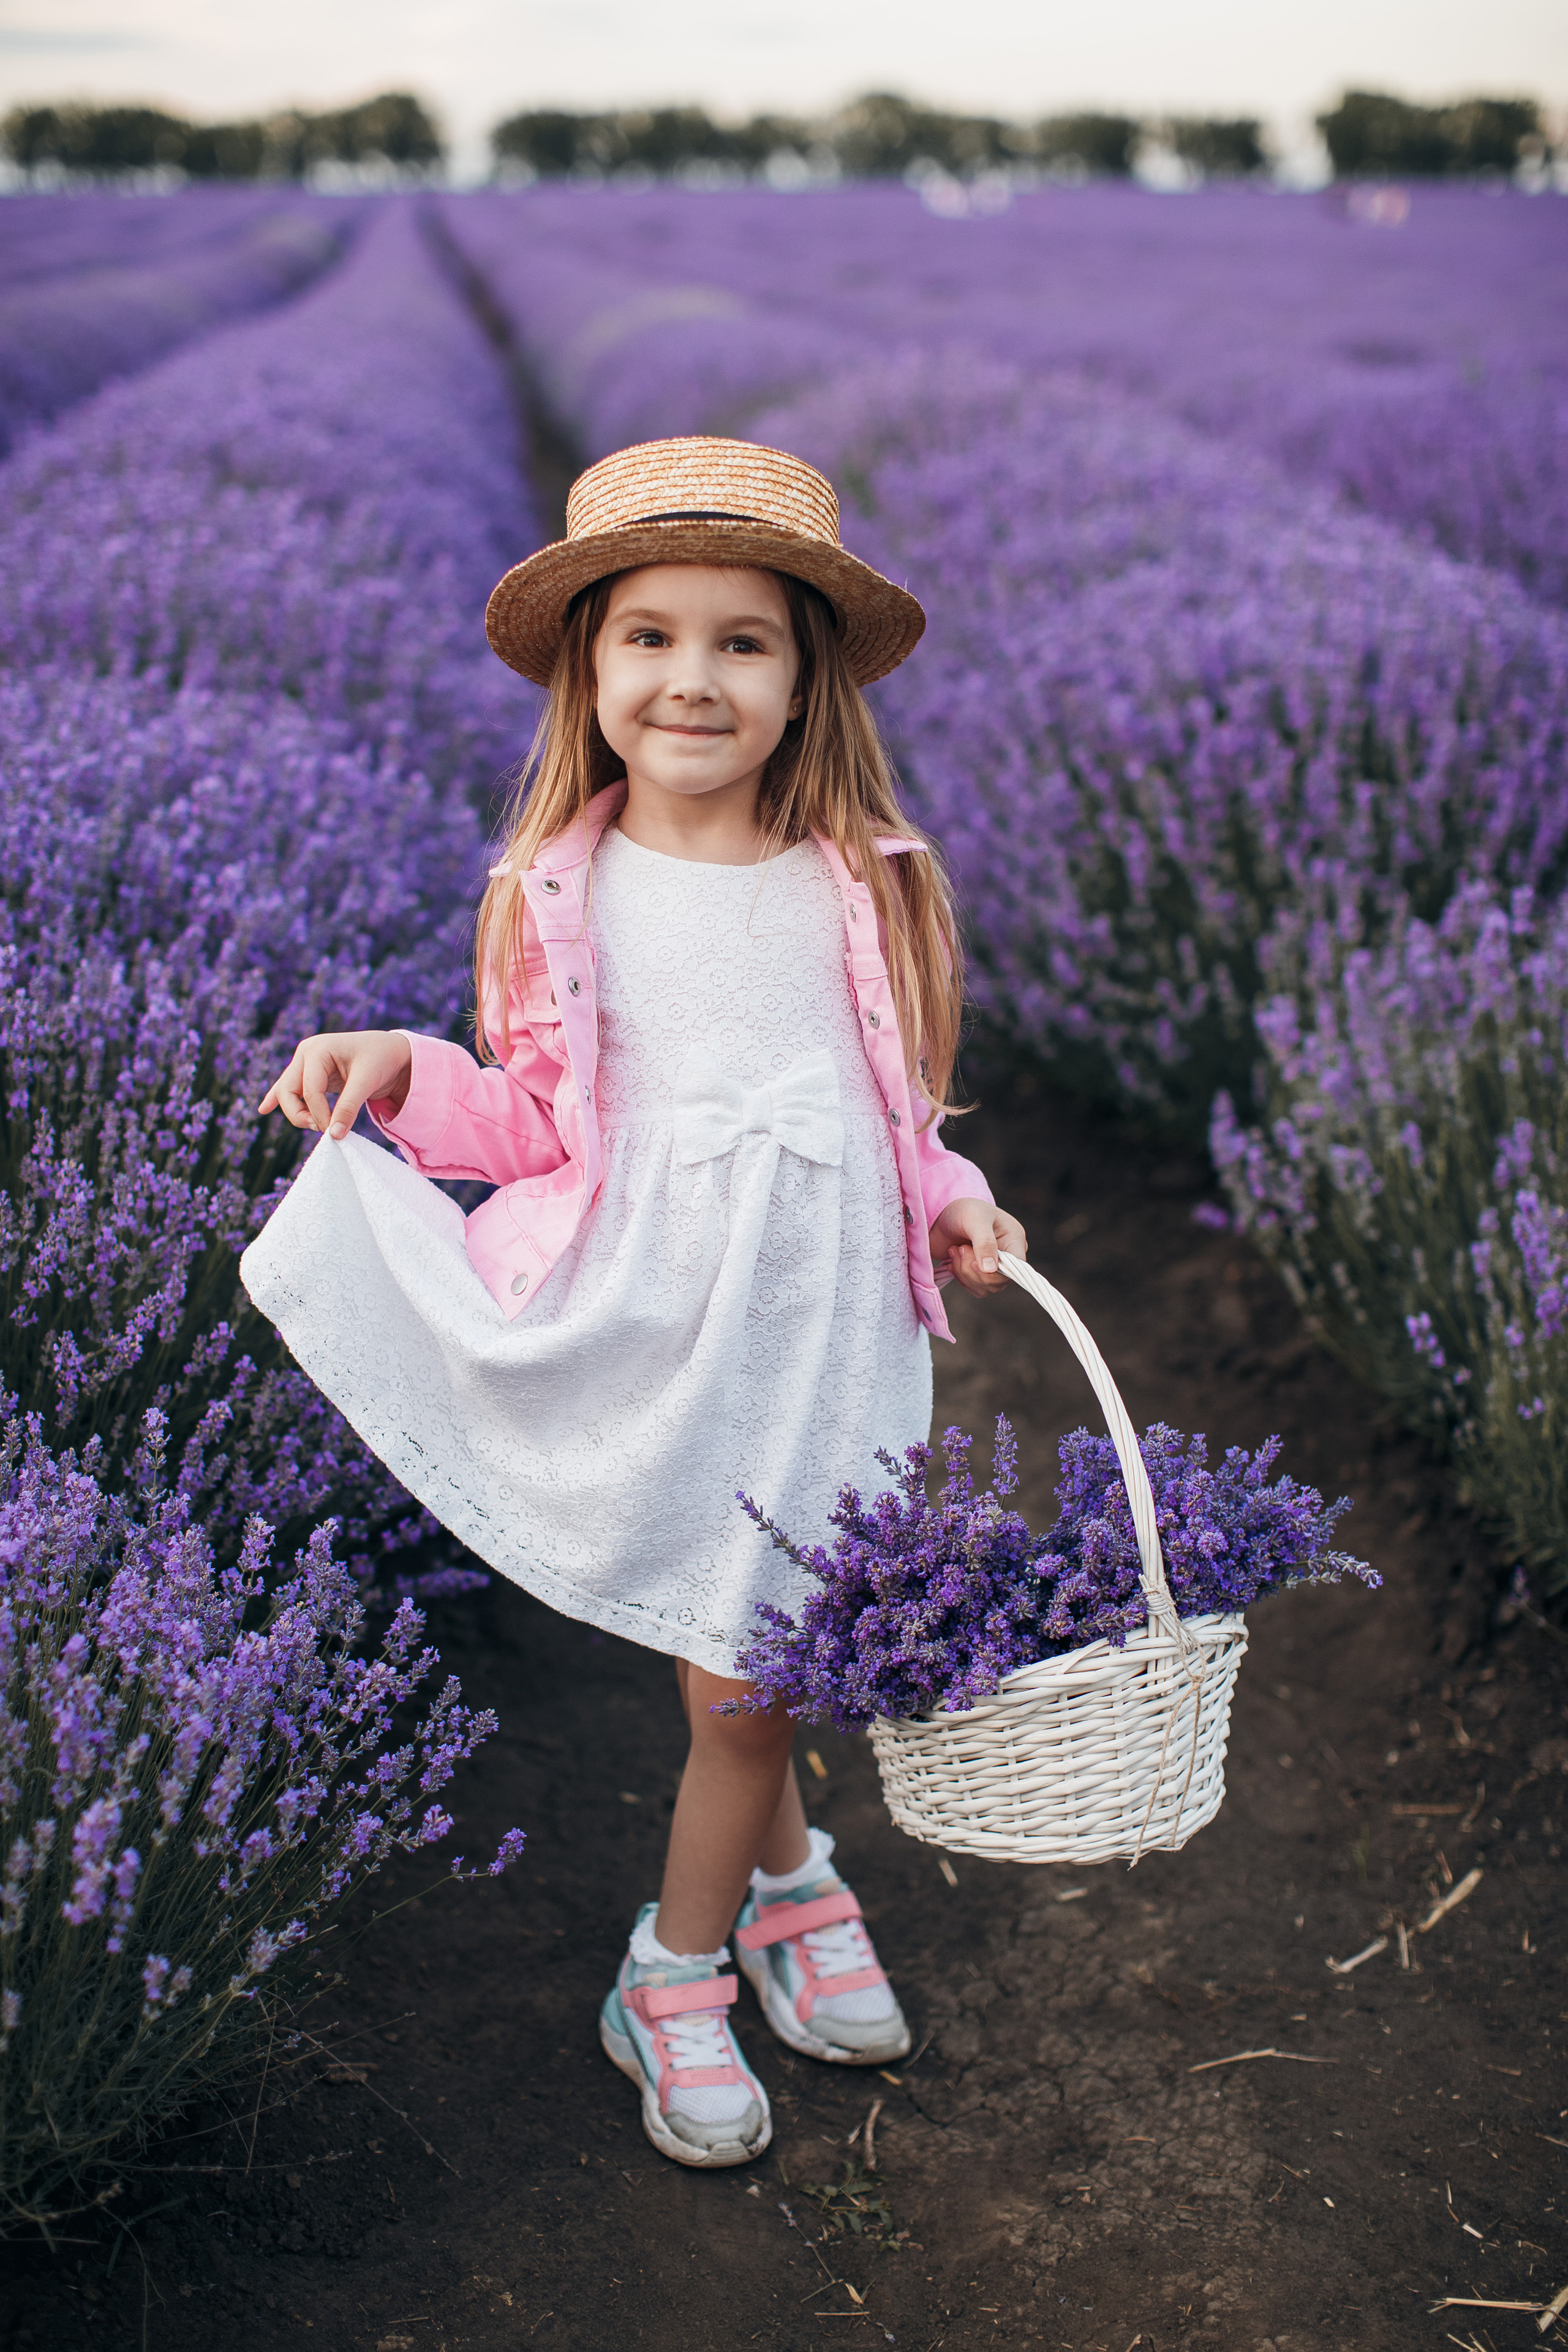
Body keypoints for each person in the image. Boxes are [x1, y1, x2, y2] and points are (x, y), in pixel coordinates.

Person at [245, 435, 1027, 2169]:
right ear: (589, 668)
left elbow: (894, 1116)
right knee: (750, 1680)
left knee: (755, 1670)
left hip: (827, 1339)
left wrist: (959, 1204)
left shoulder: (861, 878)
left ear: (806, 675)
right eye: (650, 637)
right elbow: (531, 1117)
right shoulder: (562, 891)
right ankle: (675, 1971)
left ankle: (778, 1890)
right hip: (662, 1331)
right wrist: (401, 1069)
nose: (693, 677)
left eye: (744, 641)